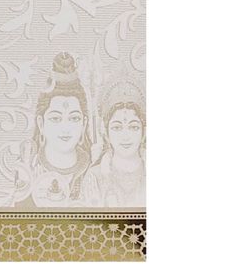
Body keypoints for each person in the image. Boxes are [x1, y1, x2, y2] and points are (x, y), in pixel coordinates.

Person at [11, 52, 92, 208]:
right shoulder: (27, 169)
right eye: (55, 118)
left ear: (84, 124)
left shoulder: (95, 171)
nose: (65, 127)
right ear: (41, 124)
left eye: (74, 118)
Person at [82, 77, 146, 208]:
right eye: (117, 127)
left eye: (134, 127)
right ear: (105, 132)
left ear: (144, 131)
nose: (126, 136)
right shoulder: (94, 177)